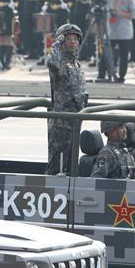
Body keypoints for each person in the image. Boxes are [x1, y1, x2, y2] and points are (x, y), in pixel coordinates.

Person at [46, 23, 87, 175]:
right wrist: (56, 43)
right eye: (68, 39)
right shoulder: (59, 62)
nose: (72, 42)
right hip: (60, 124)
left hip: (74, 121)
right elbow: (51, 63)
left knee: (71, 166)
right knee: (56, 166)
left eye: (75, 39)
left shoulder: (77, 65)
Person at [107, 0, 135, 83]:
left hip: (124, 31)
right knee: (108, 53)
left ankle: (122, 76)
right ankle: (109, 74)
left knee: (124, 56)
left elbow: (134, 14)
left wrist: (120, 13)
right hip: (111, 30)